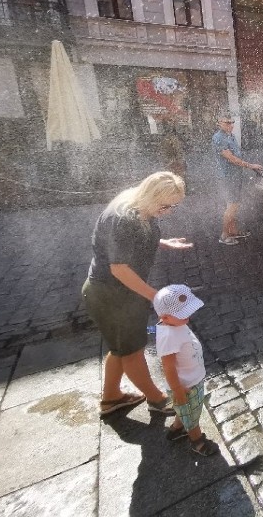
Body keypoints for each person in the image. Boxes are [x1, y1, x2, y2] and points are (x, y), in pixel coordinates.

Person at [82, 171, 193, 418]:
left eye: (173, 206)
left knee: (120, 348)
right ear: (151, 195)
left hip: (110, 292)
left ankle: (111, 398)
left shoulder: (135, 200)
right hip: (114, 295)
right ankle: (157, 400)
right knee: (132, 352)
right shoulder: (125, 219)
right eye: (165, 206)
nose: (168, 211)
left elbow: (128, 243)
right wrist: (156, 297)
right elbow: (119, 268)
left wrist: (162, 242)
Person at [153, 284, 219, 457]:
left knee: (187, 412)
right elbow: (167, 366)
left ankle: (177, 428)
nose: (188, 316)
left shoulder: (174, 324)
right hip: (186, 386)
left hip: (192, 380)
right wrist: (177, 390)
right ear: (165, 317)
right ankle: (197, 442)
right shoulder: (168, 337)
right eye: (182, 314)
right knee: (192, 414)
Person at [212, 114, 262, 245]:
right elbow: (232, 159)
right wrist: (251, 166)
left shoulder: (230, 136)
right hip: (228, 177)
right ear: (219, 123)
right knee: (232, 206)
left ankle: (233, 231)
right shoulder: (219, 138)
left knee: (233, 205)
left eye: (232, 122)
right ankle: (224, 235)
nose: (231, 125)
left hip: (235, 176)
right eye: (227, 123)